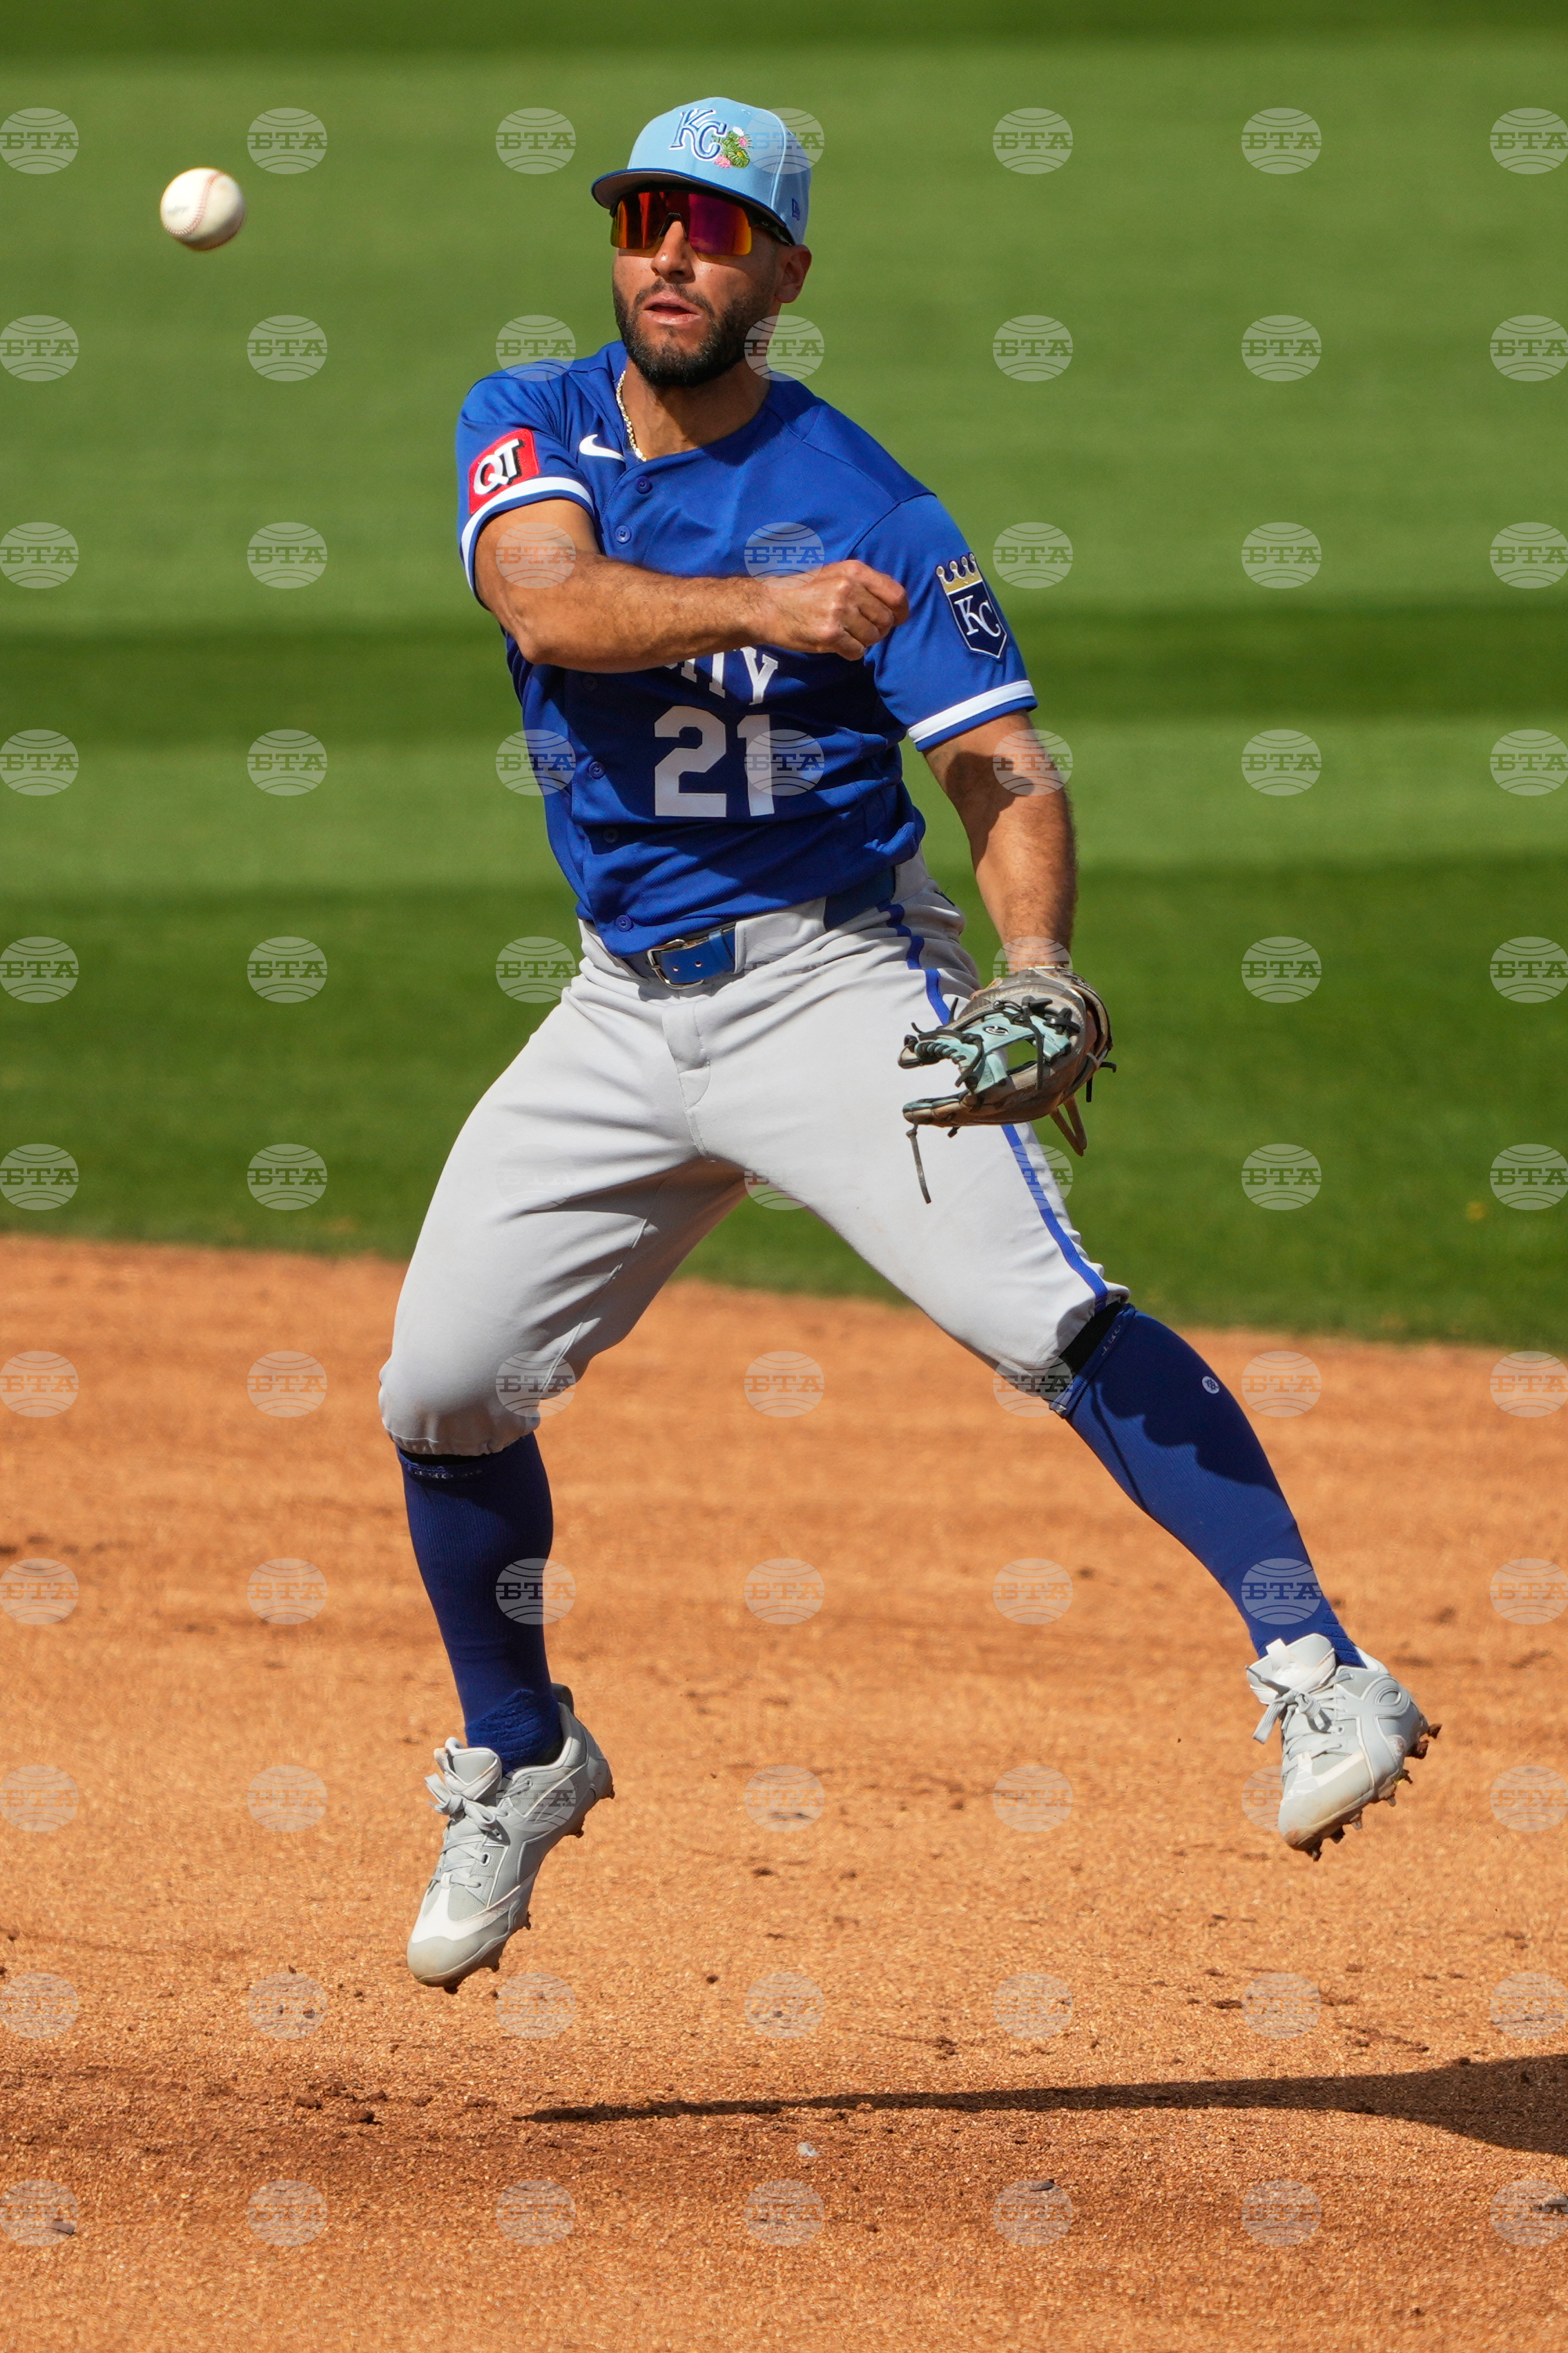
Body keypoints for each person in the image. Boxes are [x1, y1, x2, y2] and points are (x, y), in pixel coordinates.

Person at [380, 99, 1435, 1994]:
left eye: (716, 231)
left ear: (783, 270)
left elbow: (1001, 764)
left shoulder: (877, 505)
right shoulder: (526, 418)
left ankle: (1322, 1668)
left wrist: (1030, 956)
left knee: (1049, 1314)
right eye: (645, 221)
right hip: (624, 1006)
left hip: (835, 984)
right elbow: (548, 600)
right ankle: (521, 1753)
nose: (672, 256)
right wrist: (769, 610)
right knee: (440, 1390)